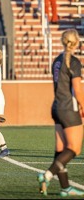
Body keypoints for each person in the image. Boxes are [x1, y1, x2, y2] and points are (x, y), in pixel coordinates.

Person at [37, 29, 84, 197]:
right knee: (74, 149)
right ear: (77, 42)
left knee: (60, 149)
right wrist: (83, 106)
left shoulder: (56, 61)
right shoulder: (74, 62)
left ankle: (65, 188)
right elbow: (78, 90)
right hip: (68, 108)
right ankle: (47, 175)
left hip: (56, 107)